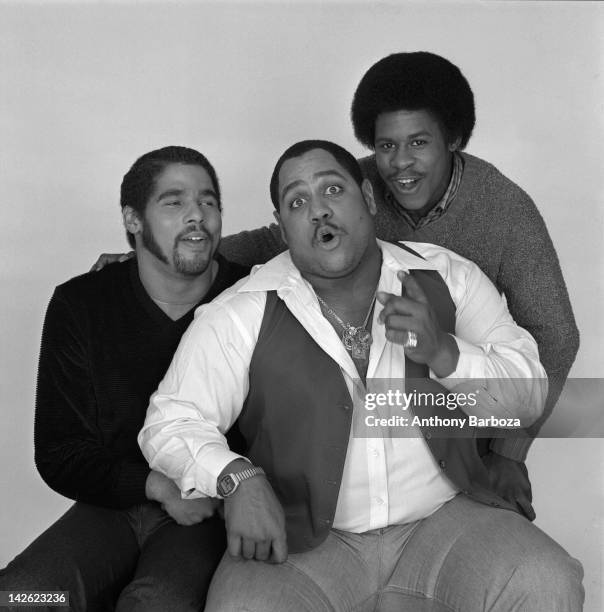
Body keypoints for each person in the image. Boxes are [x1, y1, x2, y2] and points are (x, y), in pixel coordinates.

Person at [139, 140, 583, 611]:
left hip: (445, 521)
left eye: (333, 189)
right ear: (283, 226)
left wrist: (445, 354)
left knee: (546, 580)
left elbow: (529, 399)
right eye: (297, 201)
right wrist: (235, 476)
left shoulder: (449, 279)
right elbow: (170, 422)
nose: (318, 211)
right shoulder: (239, 312)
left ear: (369, 199)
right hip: (301, 545)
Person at [214, 51, 579, 519]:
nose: (400, 163)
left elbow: (555, 333)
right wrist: (177, 255)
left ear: (453, 139)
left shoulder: (505, 210)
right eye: (386, 146)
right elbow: (275, 239)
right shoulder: (354, 184)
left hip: (464, 416)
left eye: (419, 142)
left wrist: (509, 451)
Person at [0, 146, 249, 611]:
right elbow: (58, 452)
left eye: (209, 201)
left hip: (207, 515)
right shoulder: (81, 304)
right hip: (109, 509)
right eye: (174, 202)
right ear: (133, 220)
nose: (198, 215)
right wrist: (155, 486)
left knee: (156, 603)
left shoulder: (250, 298)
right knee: (23, 595)